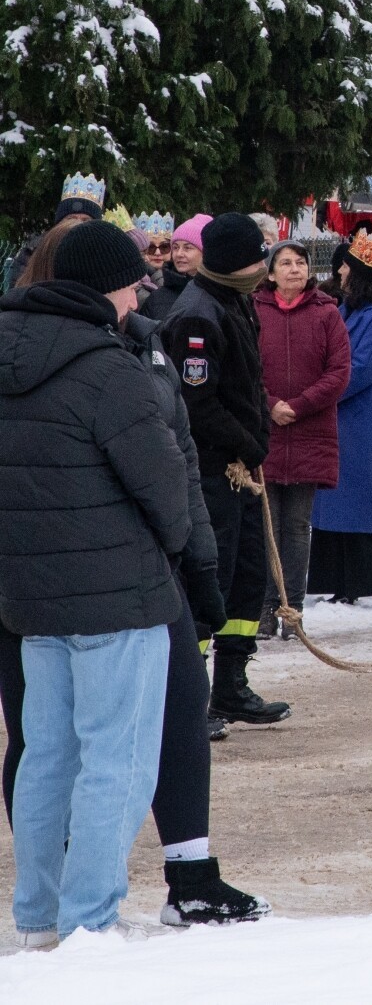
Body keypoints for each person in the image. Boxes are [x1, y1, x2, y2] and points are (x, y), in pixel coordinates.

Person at [0, 223, 186, 944]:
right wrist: (173, 545)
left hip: (31, 591)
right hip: (116, 591)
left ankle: (38, 918)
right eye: (133, 285)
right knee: (117, 759)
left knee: (45, 756)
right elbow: (164, 481)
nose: (138, 298)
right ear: (108, 287)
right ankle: (90, 921)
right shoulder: (107, 366)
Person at [161, 212, 291, 726]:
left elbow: (250, 384)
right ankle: (191, 699)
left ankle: (231, 686)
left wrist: (259, 439)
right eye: (258, 258)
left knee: (246, 577)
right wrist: (248, 444)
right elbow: (197, 404)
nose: (265, 266)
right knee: (208, 581)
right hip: (212, 472)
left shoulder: (235, 300)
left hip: (241, 468)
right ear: (235, 262)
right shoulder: (196, 315)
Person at [254, 242, 351, 634]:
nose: (294, 269)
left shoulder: (327, 313)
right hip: (266, 433)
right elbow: (244, 368)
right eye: (285, 263)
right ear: (270, 273)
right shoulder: (253, 311)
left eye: (300, 262)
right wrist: (270, 405)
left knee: (296, 527)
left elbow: (339, 371)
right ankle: (264, 609)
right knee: (267, 527)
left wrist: (300, 405)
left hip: (310, 433)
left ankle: (292, 609)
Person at [308, 236, 372, 608]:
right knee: (336, 500)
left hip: (363, 423)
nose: (341, 271)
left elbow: (360, 370)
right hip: (342, 419)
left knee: (364, 498)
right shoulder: (353, 309)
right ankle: (345, 581)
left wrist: (318, 392)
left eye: (347, 265)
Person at [141, 213, 209, 321]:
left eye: (187, 248)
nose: (179, 254)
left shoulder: (223, 293)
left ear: (205, 252)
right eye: (176, 247)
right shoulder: (156, 299)